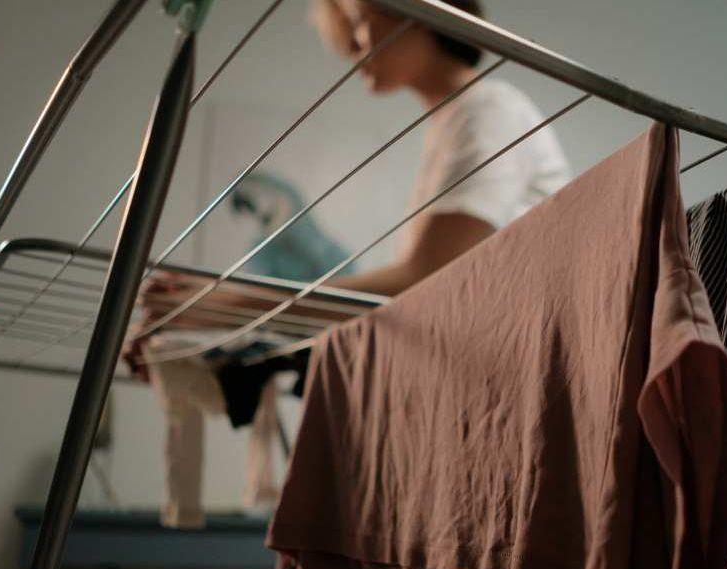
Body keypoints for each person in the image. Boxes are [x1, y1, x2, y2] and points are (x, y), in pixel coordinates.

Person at [130, 0, 570, 352]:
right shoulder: (458, 120)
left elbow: (425, 280)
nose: (353, 50)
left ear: (419, 12)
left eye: (361, 22)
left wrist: (226, 304)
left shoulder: (486, 108)